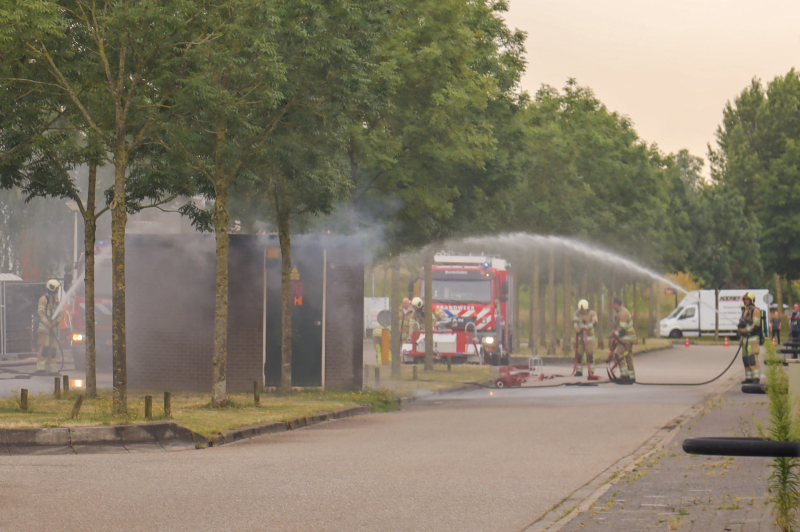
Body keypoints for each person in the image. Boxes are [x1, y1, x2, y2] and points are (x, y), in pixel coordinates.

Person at [738, 292, 763, 384]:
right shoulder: (745, 310)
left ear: (752, 300)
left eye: (748, 300)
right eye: (745, 300)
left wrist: (744, 330)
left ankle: (756, 377)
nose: (746, 301)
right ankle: (749, 377)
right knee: (745, 358)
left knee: (753, 358)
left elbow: (756, 325)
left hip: (753, 339)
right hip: (745, 340)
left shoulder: (755, 311)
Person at [37, 279, 61, 374]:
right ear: (52, 288)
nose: (58, 290)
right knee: (44, 349)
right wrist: (48, 323)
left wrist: (55, 322)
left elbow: (62, 314)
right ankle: (41, 368)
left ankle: (52, 369)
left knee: (53, 350)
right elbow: (41, 313)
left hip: (53, 331)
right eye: (57, 288)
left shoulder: (56, 301)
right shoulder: (43, 300)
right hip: (45, 330)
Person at [611, 297, 636, 383]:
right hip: (628, 338)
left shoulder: (622, 313)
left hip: (626, 339)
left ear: (616, 304)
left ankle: (625, 376)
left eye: (612, 303)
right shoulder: (620, 312)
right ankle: (631, 376)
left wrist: (614, 335)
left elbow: (623, 329)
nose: (612, 305)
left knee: (619, 355)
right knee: (628, 356)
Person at [572, 299, 598, 377]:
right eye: (582, 310)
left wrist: (586, 327)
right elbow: (575, 322)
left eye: (584, 310)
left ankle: (591, 372)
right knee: (579, 355)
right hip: (580, 338)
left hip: (589, 338)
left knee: (590, 356)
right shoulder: (577, 313)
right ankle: (579, 371)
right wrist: (577, 329)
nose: (583, 312)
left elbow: (594, 323)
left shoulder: (592, 313)